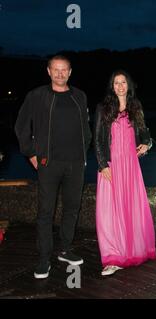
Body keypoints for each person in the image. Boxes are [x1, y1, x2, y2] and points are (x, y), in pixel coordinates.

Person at [15, 55, 92, 279]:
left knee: (72, 208)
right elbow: (21, 125)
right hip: (48, 163)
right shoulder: (37, 96)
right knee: (45, 212)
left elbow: (86, 129)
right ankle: (43, 259)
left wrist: (84, 153)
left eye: (64, 70)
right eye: (55, 70)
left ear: (70, 72)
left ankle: (65, 249)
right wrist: (30, 152)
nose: (60, 73)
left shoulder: (80, 96)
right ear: (48, 71)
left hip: (75, 163)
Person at [95, 70, 156, 276]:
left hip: (130, 166)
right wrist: (103, 164)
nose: (120, 86)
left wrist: (147, 144)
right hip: (111, 166)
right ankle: (112, 257)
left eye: (123, 82)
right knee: (109, 213)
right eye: (116, 83)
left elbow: (145, 133)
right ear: (111, 86)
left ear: (128, 85)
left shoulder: (135, 107)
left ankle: (133, 251)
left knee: (131, 208)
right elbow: (97, 139)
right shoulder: (103, 109)